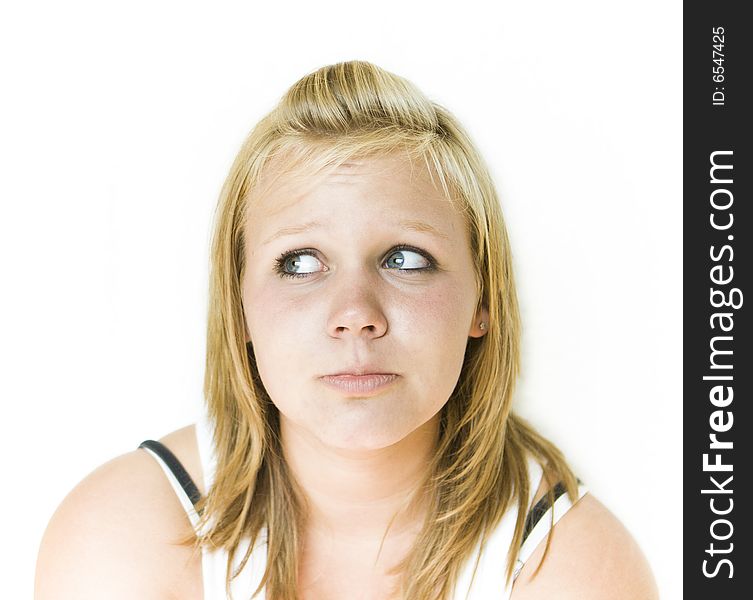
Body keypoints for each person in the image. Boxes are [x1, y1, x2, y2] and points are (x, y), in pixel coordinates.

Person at [35, 60, 658, 600]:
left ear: (482, 301)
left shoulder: (572, 568)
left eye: (406, 258)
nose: (356, 310)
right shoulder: (120, 536)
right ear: (240, 307)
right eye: (300, 263)